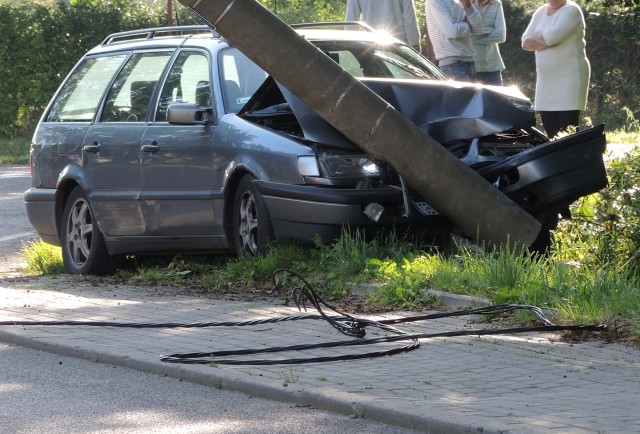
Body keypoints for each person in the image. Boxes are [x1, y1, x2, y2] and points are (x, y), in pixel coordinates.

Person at [521, 0, 590, 139]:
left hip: (570, 77)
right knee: (550, 130)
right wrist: (544, 40)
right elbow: (525, 41)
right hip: (545, 82)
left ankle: (573, 159)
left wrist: (542, 40)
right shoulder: (540, 11)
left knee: (568, 131)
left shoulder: (571, 11)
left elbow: (552, 37)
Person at [425, 0, 485, 82]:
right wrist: (468, 25)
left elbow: (479, 29)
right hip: (452, 64)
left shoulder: (467, 1)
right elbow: (451, 32)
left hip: (470, 61)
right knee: (465, 95)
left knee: (473, 95)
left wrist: (468, 5)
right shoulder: (435, 1)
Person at [345, 0, 422, 51]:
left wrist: (350, 48)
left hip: (372, 48)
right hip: (399, 48)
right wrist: (414, 46)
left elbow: (351, 22)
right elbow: (410, 20)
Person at [472, 0, 506, 85]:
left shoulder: (497, 4)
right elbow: (461, 33)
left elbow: (501, 36)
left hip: (493, 69)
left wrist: (473, 37)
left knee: (497, 98)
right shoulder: (463, 3)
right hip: (470, 68)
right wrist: (489, 31)